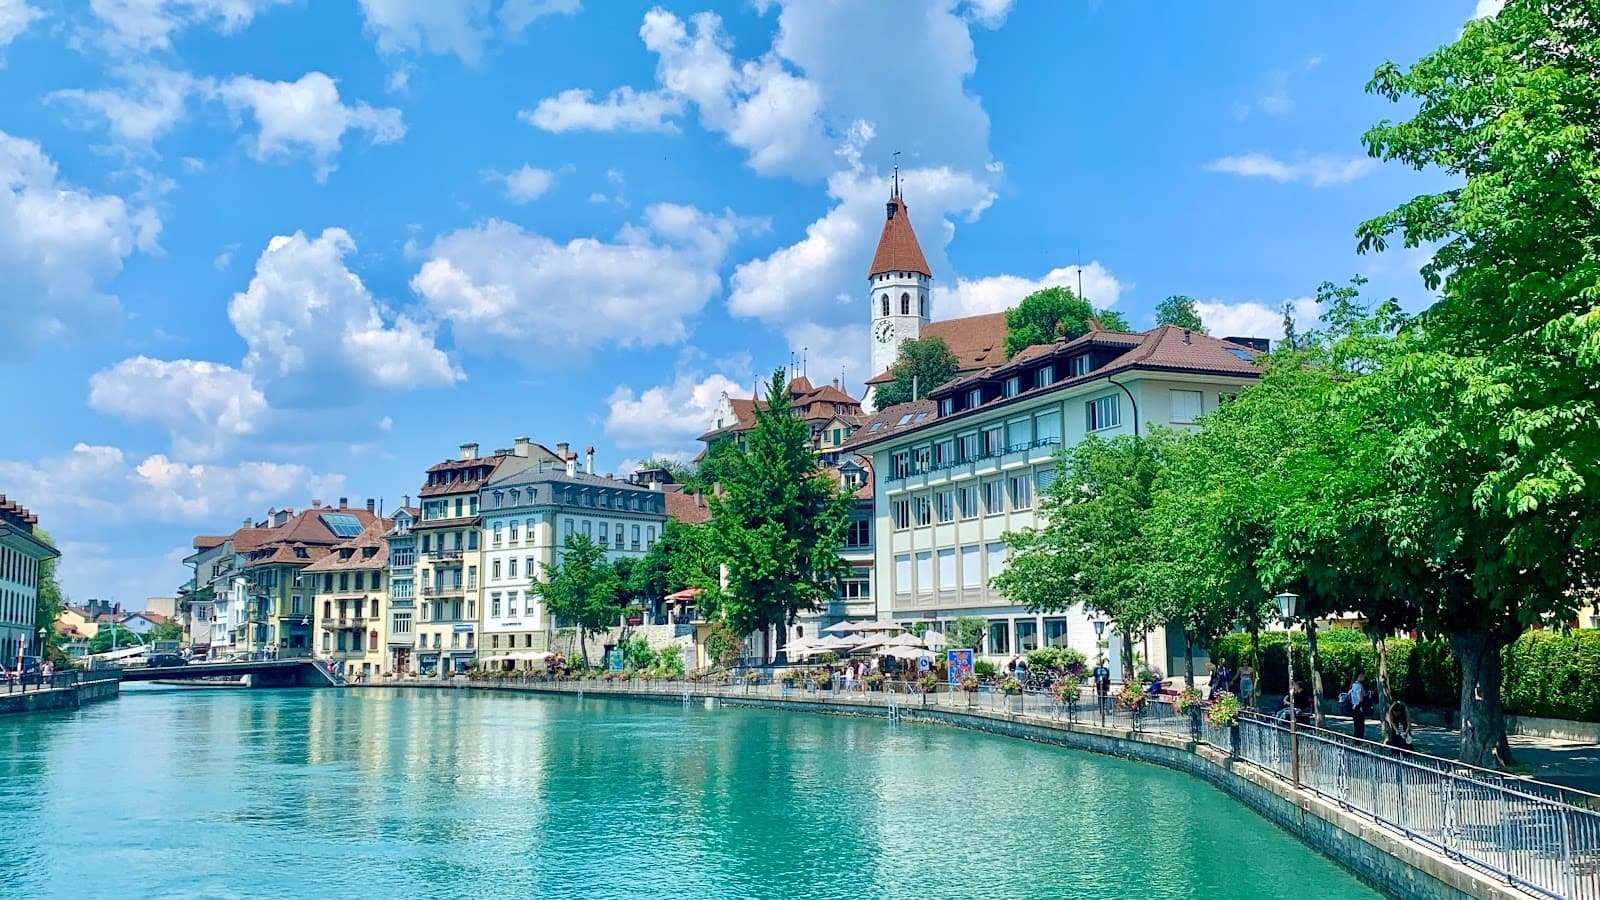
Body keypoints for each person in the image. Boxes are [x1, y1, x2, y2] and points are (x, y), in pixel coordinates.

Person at [1348, 670, 1371, 740]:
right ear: (1360, 675)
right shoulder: (1358, 686)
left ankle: (1356, 743)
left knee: (1357, 727)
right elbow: (1360, 699)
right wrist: (1367, 697)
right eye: (1364, 675)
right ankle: (1358, 744)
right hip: (1358, 708)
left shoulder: (1353, 685)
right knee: (1360, 727)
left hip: (1354, 707)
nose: (1364, 677)